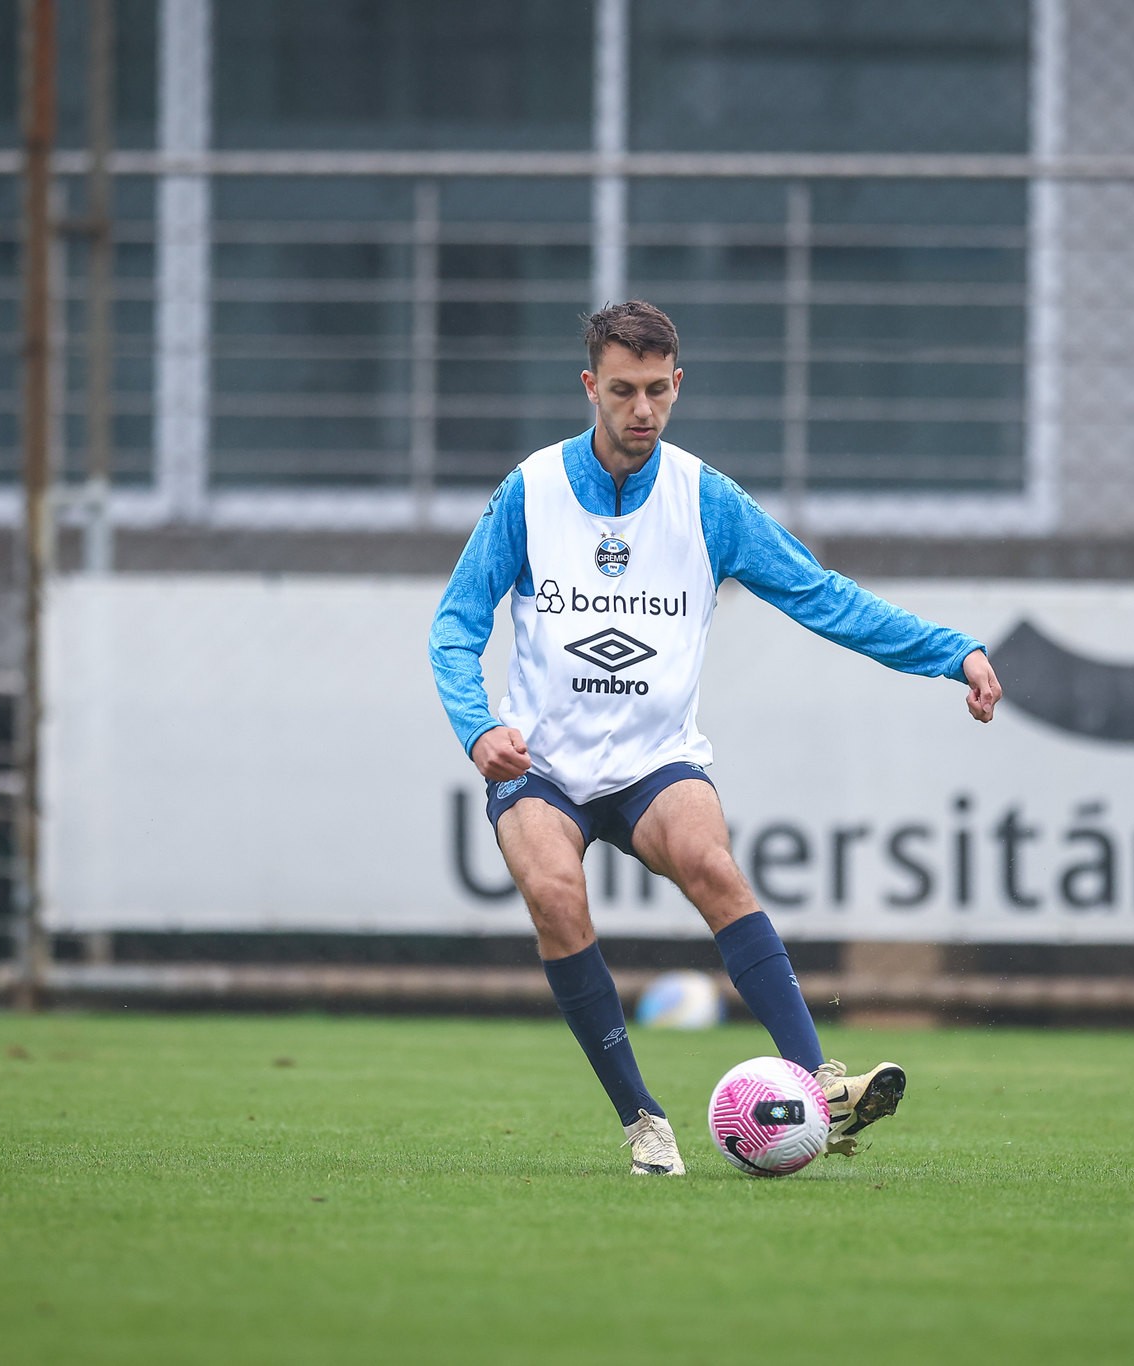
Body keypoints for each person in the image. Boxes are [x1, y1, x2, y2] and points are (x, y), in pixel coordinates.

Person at [429, 300, 1003, 1176]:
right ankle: (642, 1120)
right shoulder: (531, 491)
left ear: (678, 384)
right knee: (553, 889)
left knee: (713, 865)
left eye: (658, 391)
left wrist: (950, 653)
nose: (642, 412)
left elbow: (823, 596)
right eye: (622, 391)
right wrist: (478, 729)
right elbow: (454, 627)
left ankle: (821, 1081)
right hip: (540, 765)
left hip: (656, 762)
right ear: (591, 386)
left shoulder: (707, 499)